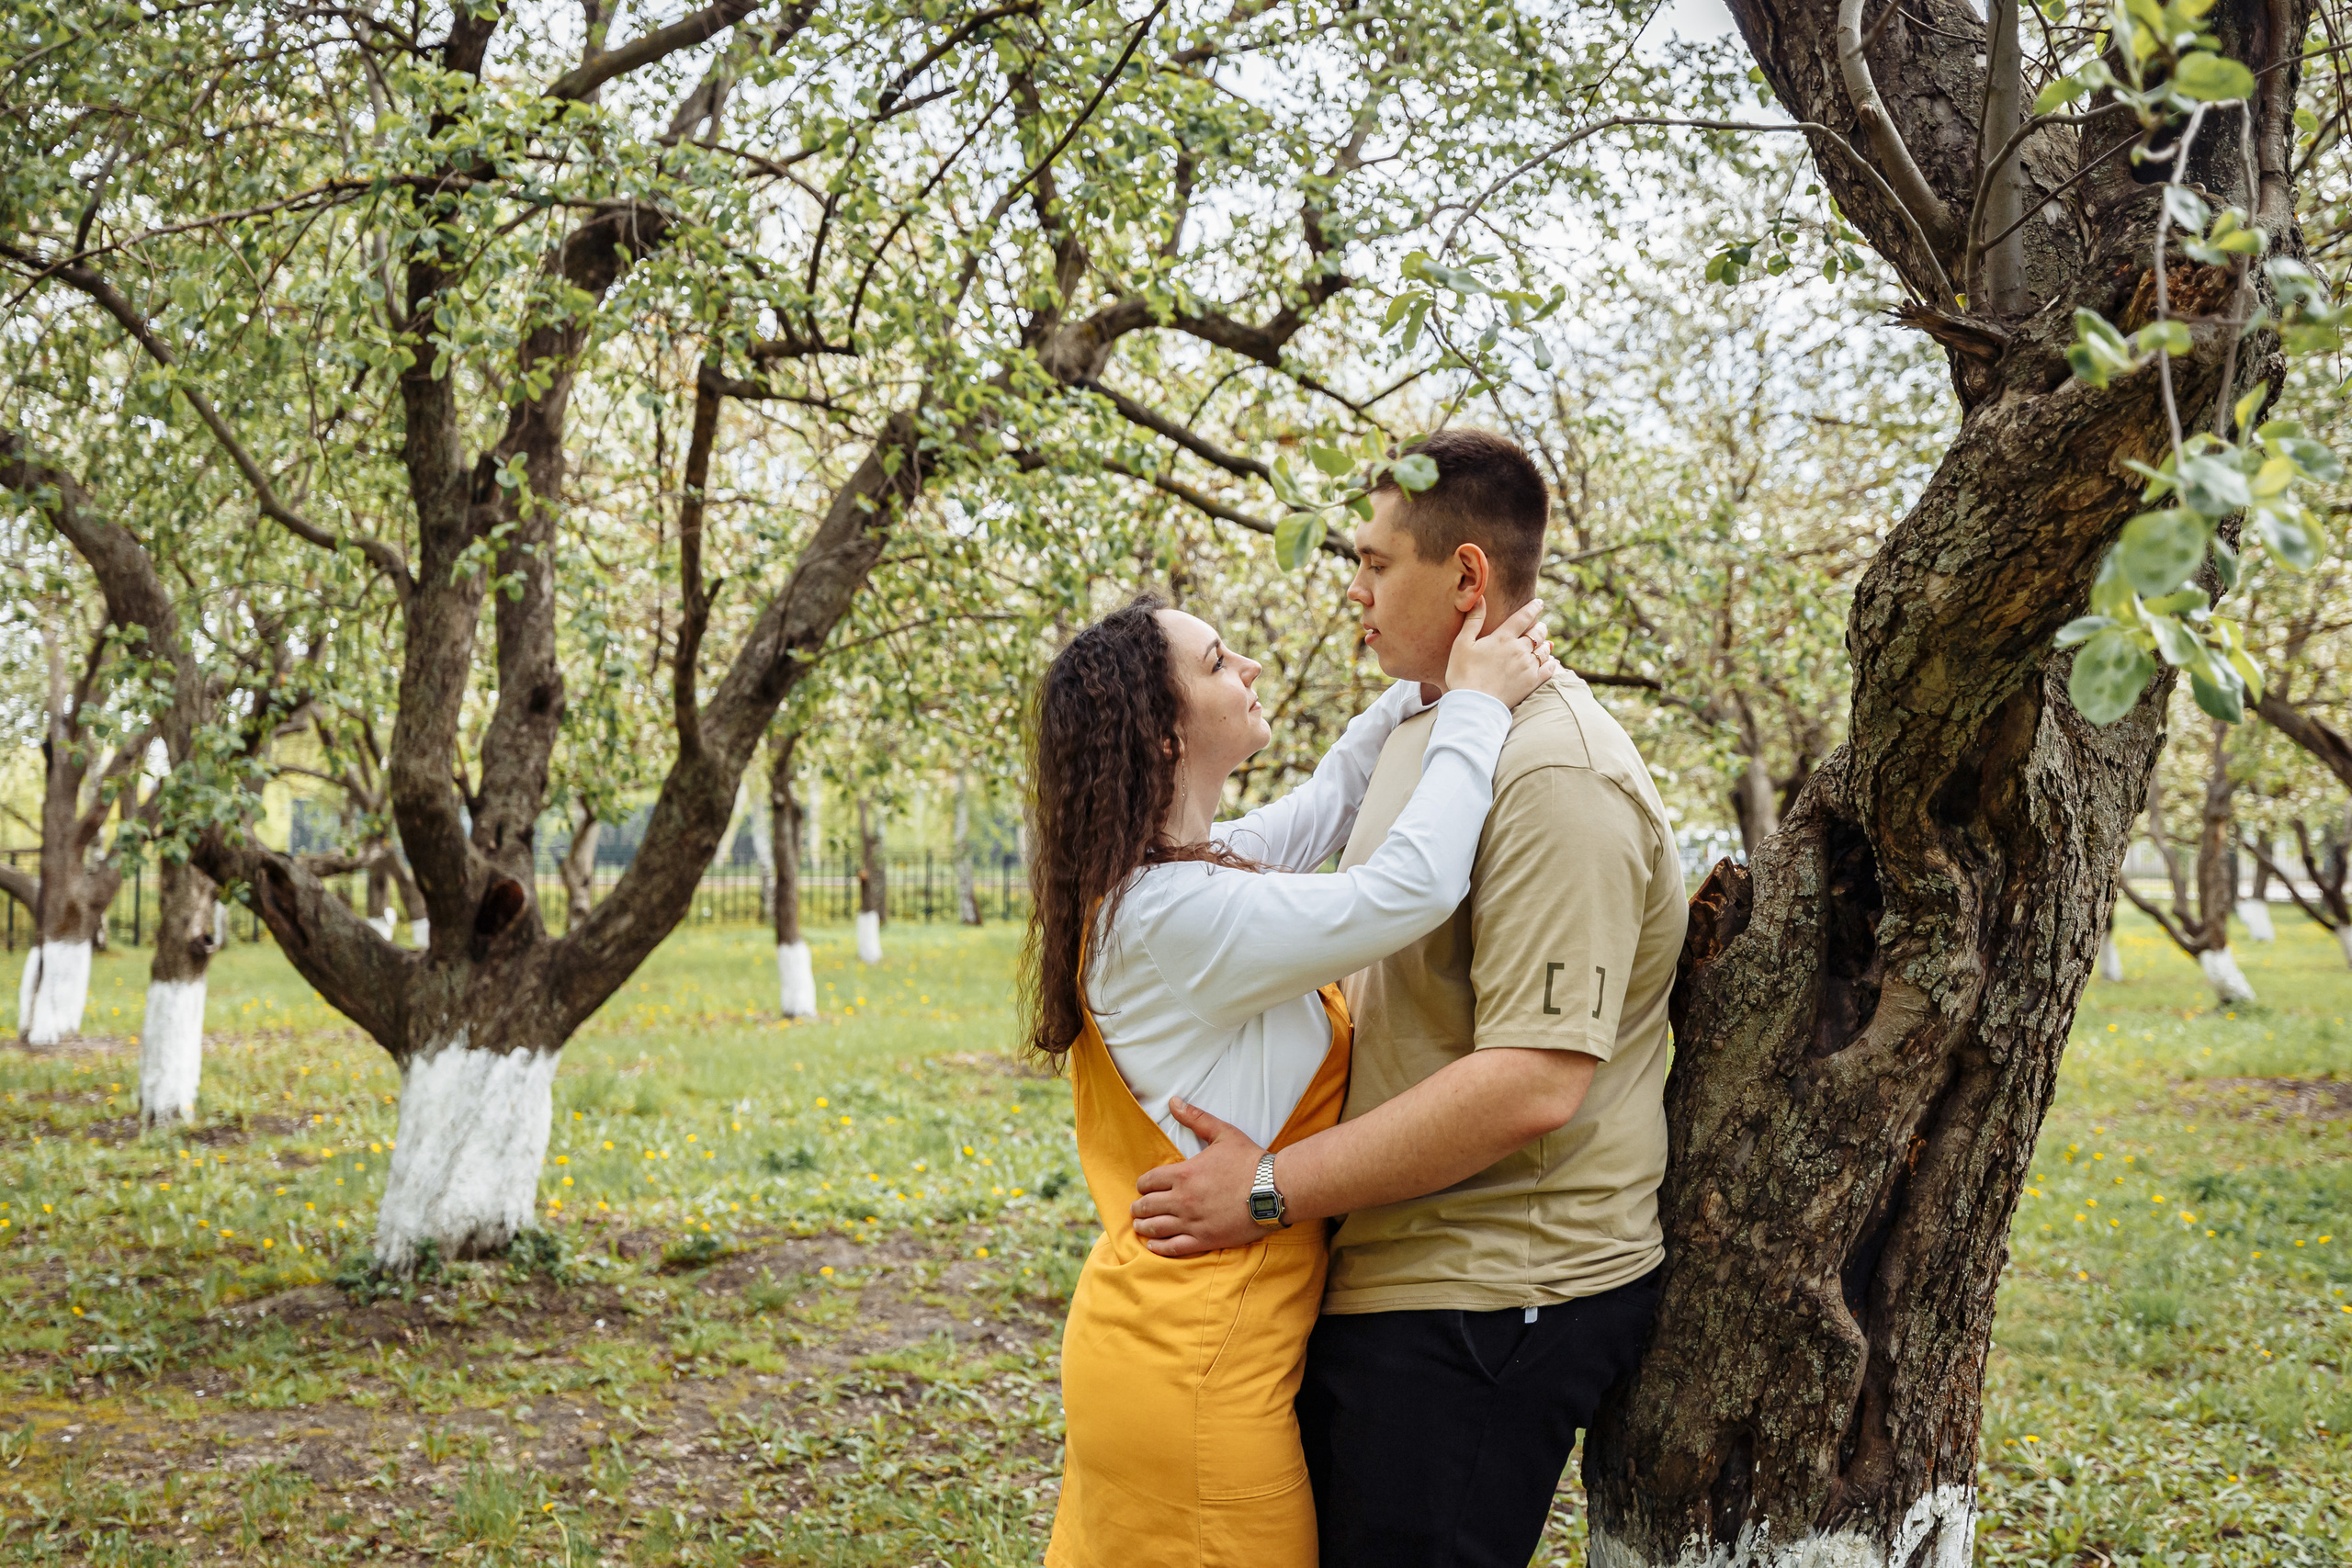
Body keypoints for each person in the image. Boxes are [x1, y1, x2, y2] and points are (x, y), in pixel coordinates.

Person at [1129, 428, 1690, 1568]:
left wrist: (1271, 1189)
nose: (1354, 586)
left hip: (1491, 1290)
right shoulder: (1436, 731)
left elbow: (1533, 1081)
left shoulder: (1553, 774)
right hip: (1394, 1267)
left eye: (1378, 563)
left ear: (1467, 578)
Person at [1026, 585, 1561, 1568]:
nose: (1252, 669)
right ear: (1160, 733)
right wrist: (1477, 708)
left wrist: (1432, 673)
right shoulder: (1173, 917)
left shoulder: (1173, 880)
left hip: (1171, 1344)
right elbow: (1409, 887)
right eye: (1221, 660)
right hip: (1194, 1371)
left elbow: (1329, 799)